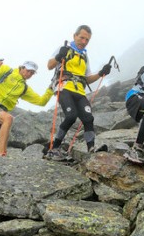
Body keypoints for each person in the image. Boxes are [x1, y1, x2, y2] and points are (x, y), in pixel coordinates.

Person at [45, 24, 112, 161]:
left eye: (87, 40)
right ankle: (54, 148)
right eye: (81, 38)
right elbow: (49, 66)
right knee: (71, 116)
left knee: (88, 118)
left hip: (79, 91)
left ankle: (91, 149)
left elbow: (87, 78)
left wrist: (100, 73)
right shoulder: (64, 49)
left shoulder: (84, 56)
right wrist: (59, 56)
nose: (84, 42)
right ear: (74, 36)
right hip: (64, 87)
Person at [0, 59, 53, 156]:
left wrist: (51, 89)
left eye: (32, 73)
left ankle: (1, 156)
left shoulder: (24, 88)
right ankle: (2, 152)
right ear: (22, 68)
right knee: (8, 118)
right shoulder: (6, 70)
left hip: (0, 114)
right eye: (28, 71)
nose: (29, 74)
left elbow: (41, 101)